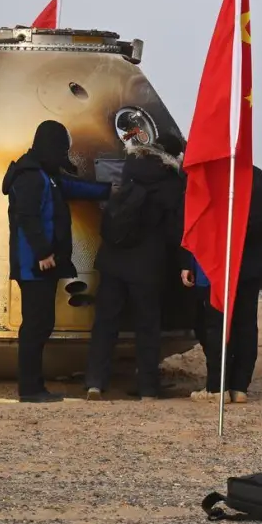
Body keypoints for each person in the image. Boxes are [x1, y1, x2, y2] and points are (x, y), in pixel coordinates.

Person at [3, 120, 112, 402]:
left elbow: (73, 187)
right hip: (34, 266)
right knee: (35, 326)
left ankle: (35, 386)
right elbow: (27, 218)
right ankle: (30, 389)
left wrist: (110, 189)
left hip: (43, 265)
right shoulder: (30, 177)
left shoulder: (45, 175)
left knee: (42, 324)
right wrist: (42, 253)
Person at [84, 132, 186, 400]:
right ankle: (147, 388)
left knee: (105, 322)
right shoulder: (172, 183)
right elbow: (176, 228)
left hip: (113, 258)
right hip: (147, 263)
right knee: (147, 326)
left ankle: (95, 382)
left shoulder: (130, 168)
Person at [185, 165, 262, 403]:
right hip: (251, 262)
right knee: (246, 323)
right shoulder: (257, 175)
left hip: (217, 263)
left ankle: (217, 388)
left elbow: (196, 218)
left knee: (216, 325)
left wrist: (189, 261)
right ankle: (240, 387)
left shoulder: (211, 174)